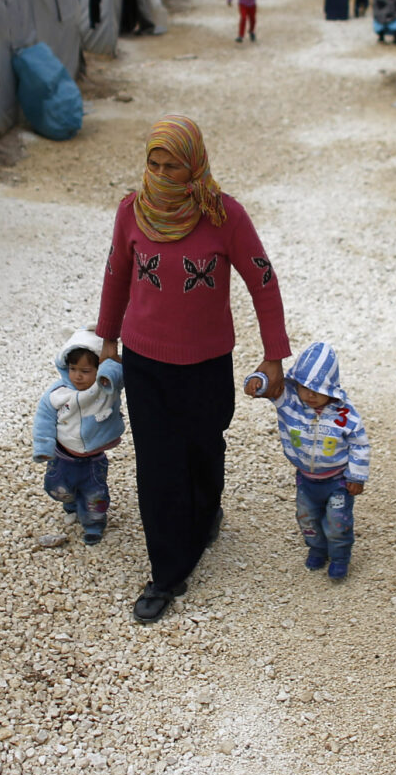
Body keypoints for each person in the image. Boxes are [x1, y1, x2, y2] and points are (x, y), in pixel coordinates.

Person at [97, 117, 290, 623]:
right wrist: (107, 340)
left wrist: (274, 355)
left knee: (205, 448)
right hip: (145, 363)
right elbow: (116, 273)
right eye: (154, 164)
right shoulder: (130, 212)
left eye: (173, 166)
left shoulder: (224, 216)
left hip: (206, 363)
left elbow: (263, 282)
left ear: (195, 165)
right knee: (158, 464)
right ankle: (167, 572)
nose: (161, 175)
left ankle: (205, 515)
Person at [248, 341, 369, 580]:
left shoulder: (345, 415)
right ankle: (317, 549)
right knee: (307, 518)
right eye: (304, 387)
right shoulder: (290, 402)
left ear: (331, 389)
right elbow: (269, 386)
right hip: (306, 479)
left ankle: (340, 557)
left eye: (318, 390)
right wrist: (256, 380)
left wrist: (356, 476)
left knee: (338, 522)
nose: (310, 395)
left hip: (337, 481)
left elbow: (359, 444)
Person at [33, 329, 125, 544]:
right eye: (73, 369)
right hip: (62, 456)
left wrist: (109, 363)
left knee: (95, 496)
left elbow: (122, 368)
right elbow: (44, 419)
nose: (78, 376)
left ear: (99, 368)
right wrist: (43, 447)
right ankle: (72, 501)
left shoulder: (106, 389)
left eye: (85, 370)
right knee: (56, 488)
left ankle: (93, 525)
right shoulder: (59, 393)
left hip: (93, 460)